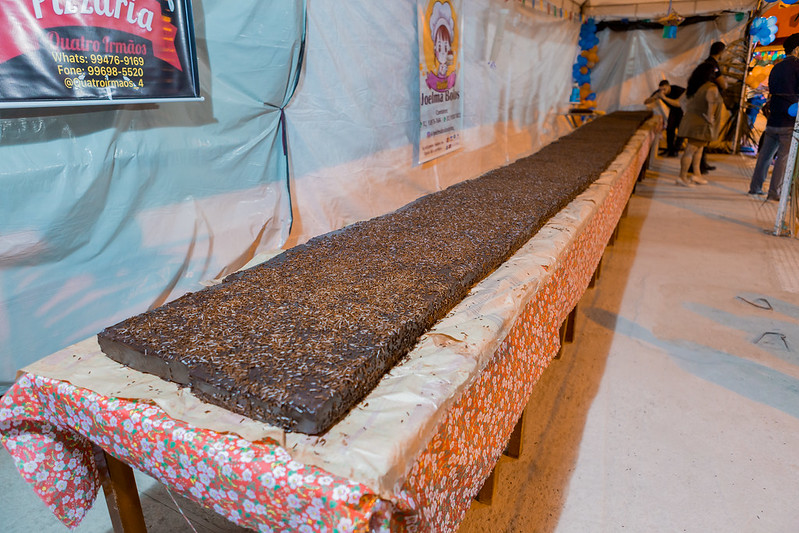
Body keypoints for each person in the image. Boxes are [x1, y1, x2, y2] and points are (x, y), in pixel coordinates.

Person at [748, 32, 799, 200]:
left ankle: (755, 187)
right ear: (797, 49)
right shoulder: (797, 67)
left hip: (774, 117)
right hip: (789, 119)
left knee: (765, 156)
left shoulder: (777, 67)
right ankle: (774, 193)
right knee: (783, 158)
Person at [676, 62, 723, 187]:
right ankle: (682, 177)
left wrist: (689, 112)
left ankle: (696, 174)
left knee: (698, 150)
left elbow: (681, 101)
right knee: (690, 150)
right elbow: (711, 106)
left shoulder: (695, 86)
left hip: (691, 121)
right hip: (701, 124)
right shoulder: (711, 88)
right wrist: (710, 119)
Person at [646, 80, 685, 157]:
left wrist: (664, 98)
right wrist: (654, 97)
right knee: (670, 129)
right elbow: (646, 102)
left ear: (669, 86)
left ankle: (676, 150)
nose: (663, 91)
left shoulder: (678, 90)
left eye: (664, 89)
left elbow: (678, 104)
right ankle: (670, 149)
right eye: (661, 89)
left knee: (681, 130)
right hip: (673, 110)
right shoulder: (660, 92)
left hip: (684, 110)